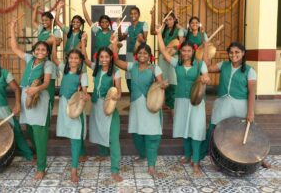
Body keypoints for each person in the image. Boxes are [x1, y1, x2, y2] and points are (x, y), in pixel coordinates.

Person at [200, 41, 271, 168]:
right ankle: (201, 156)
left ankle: (259, 159)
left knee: (246, 132)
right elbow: (207, 67)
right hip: (222, 104)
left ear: (243, 53)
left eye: (237, 52)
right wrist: (205, 48)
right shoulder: (224, 65)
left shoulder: (250, 70)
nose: (234, 55)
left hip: (240, 105)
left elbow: (251, 92)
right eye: (231, 52)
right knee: (214, 129)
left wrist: (250, 112)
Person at [156, 24, 210, 175]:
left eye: (188, 50)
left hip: (196, 102)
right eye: (183, 50)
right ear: (180, 51)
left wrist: (205, 79)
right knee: (185, 128)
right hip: (180, 100)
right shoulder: (177, 63)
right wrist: (159, 33)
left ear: (193, 51)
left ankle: (196, 161)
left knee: (196, 130)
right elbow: (163, 51)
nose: (186, 53)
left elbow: (207, 78)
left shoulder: (200, 64)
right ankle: (187, 156)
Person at [111, 34, 168, 178]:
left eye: (145, 53)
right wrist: (114, 43)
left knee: (152, 136)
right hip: (136, 106)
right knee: (136, 134)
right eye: (140, 53)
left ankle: (151, 166)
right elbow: (116, 61)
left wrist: (163, 85)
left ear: (150, 56)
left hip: (151, 106)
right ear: (137, 55)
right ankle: (143, 155)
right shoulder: (132, 66)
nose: (142, 55)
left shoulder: (156, 69)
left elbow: (160, 84)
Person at [10, 20, 53, 179]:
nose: (41, 51)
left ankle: (41, 167)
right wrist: (12, 28)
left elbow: (47, 83)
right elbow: (14, 48)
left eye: (44, 49)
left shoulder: (48, 65)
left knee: (39, 131)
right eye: (38, 49)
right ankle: (37, 156)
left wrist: (36, 88)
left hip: (39, 98)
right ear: (34, 51)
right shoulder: (29, 59)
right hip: (25, 96)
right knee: (29, 129)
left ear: (47, 52)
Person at [80, 33, 123, 182]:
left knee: (114, 138)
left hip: (109, 107)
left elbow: (119, 89)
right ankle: (103, 153)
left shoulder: (115, 72)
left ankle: (115, 169)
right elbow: (84, 58)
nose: (104, 59)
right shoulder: (96, 68)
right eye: (101, 57)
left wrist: (117, 96)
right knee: (98, 129)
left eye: (107, 57)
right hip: (96, 105)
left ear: (111, 58)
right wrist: (83, 42)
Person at [51, 39, 90, 183]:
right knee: (72, 134)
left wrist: (85, 96)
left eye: (76, 58)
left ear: (80, 61)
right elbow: (54, 58)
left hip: (75, 107)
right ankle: (82, 153)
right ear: (68, 59)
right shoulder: (64, 69)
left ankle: (74, 170)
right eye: (71, 58)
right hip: (63, 105)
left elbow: (85, 91)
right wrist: (54, 43)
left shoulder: (82, 75)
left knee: (75, 136)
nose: (73, 60)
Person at [117, 6, 148, 92]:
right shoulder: (129, 27)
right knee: (129, 75)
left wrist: (139, 39)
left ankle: (140, 96)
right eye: (131, 14)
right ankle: (132, 96)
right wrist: (119, 25)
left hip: (140, 54)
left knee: (139, 74)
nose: (133, 15)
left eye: (135, 13)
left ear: (139, 15)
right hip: (130, 54)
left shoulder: (144, 24)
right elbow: (120, 38)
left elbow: (145, 40)